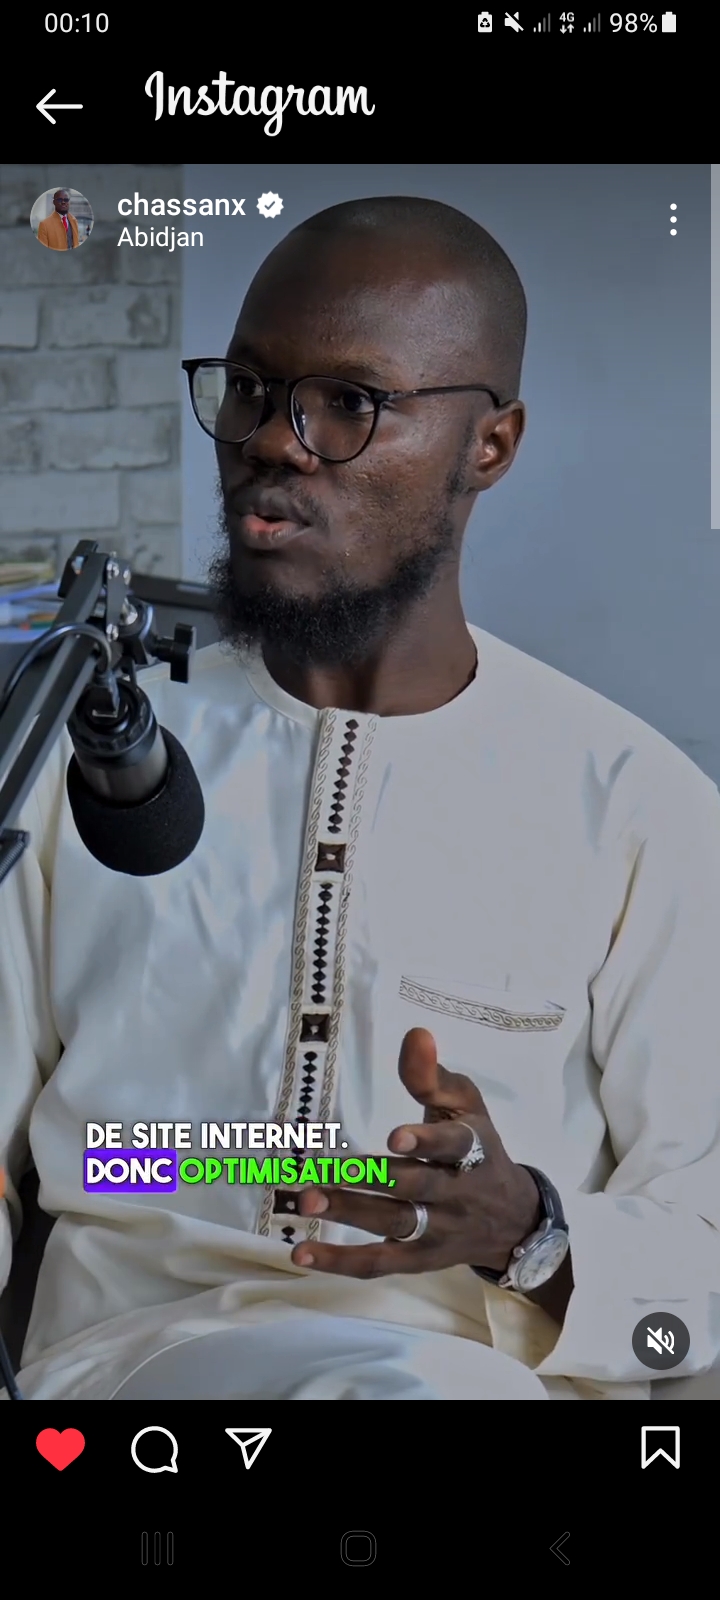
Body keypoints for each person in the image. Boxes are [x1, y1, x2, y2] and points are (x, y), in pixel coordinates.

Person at [2, 195, 720, 1401]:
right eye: (250, 388)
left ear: (490, 446)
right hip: (128, 1366)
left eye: (349, 402)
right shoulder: (88, 744)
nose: (274, 442)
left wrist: (528, 1231)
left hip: (473, 1375)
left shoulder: (638, 806)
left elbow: (701, 1243)